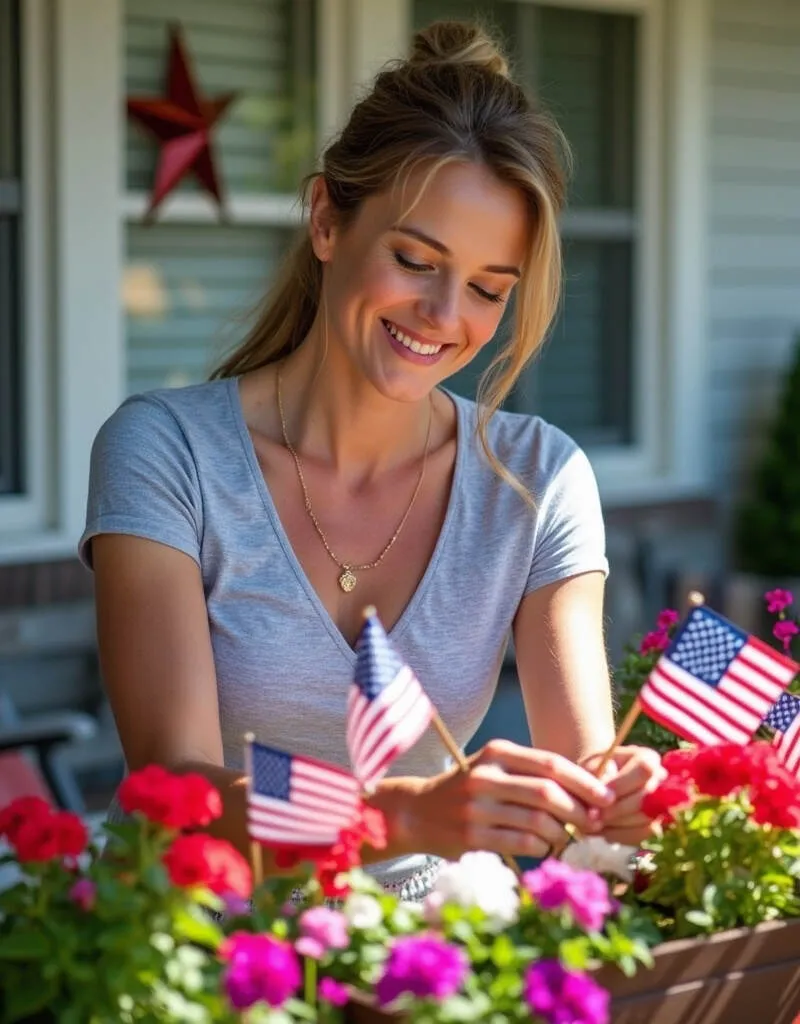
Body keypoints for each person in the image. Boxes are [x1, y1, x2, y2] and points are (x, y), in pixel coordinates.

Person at [80, 20, 662, 900]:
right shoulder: (168, 453)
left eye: (487, 289)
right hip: (196, 951)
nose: (442, 313)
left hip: (430, 961)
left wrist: (618, 794)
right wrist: (404, 814)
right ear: (325, 219)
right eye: (415, 260)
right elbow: (175, 788)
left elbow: (582, 758)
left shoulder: (536, 478)